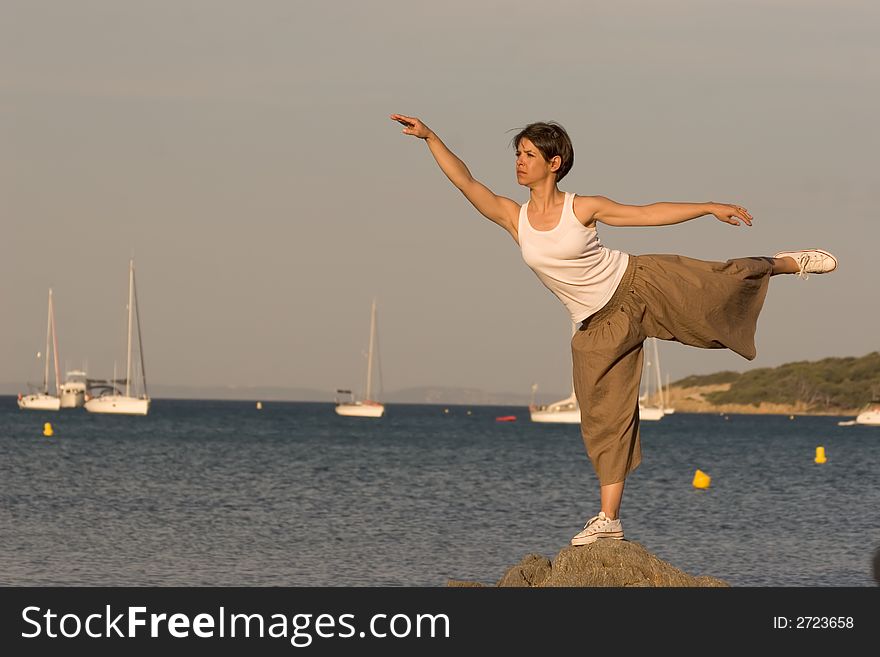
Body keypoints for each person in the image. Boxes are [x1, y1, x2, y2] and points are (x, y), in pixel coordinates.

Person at [390, 113, 838, 546]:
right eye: (517, 154)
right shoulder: (514, 217)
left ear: (554, 163)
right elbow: (466, 181)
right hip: (594, 328)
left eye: (527, 154)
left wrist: (706, 207)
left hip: (636, 285)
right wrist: (430, 137)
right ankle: (609, 520)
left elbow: (646, 214)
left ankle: (785, 262)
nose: (518, 162)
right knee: (604, 419)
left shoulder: (582, 207)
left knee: (715, 283)